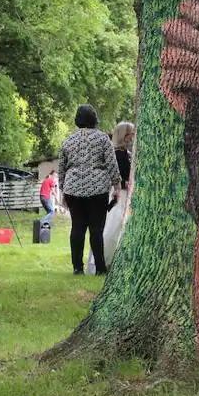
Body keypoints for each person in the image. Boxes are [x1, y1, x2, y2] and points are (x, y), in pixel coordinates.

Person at [58, 104, 119, 275]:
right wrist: (117, 186)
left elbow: (62, 168)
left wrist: (62, 189)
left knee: (77, 227)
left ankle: (77, 267)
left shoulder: (68, 141)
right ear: (94, 120)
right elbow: (112, 164)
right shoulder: (102, 139)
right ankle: (100, 268)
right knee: (96, 229)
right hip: (98, 189)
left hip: (73, 188)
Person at [102, 122, 136, 266]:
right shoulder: (117, 154)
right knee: (113, 226)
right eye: (131, 133)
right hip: (118, 195)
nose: (133, 136)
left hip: (123, 194)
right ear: (125, 135)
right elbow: (113, 177)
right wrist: (125, 184)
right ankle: (105, 259)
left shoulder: (124, 153)